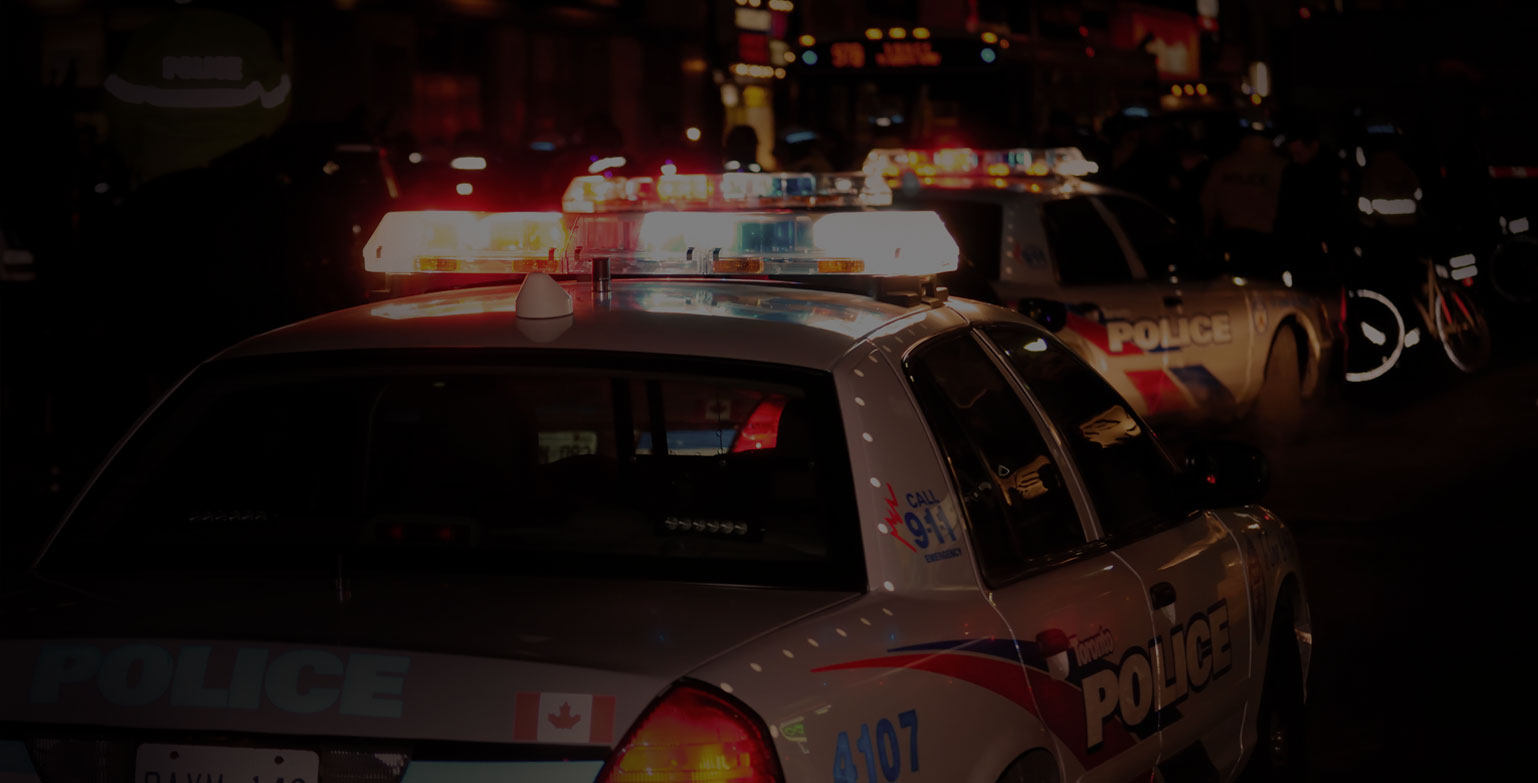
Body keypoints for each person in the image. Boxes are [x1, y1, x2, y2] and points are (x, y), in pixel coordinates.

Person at [1199, 125, 1287, 278]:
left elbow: (1207, 203)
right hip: (1266, 241)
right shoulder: (1280, 166)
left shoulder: (1225, 164)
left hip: (1230, 237)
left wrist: (1207, 232)